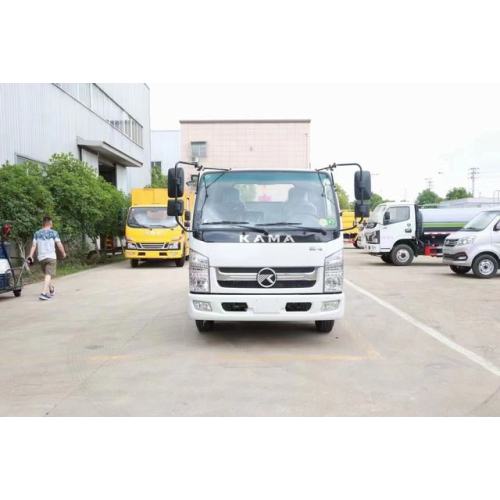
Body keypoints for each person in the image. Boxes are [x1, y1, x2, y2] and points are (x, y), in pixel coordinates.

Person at [27, 216, 67, 301]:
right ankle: (43, 293)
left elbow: (34, 245)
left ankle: (51, 289)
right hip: (51, 257)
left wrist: (30, 256)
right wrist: (63, 253)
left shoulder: (37, 233)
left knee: (47, 275)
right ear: (50, 223)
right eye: (52, 222)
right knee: (48, 275)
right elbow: (59, 244)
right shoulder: (54, 233)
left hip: (41, 258)